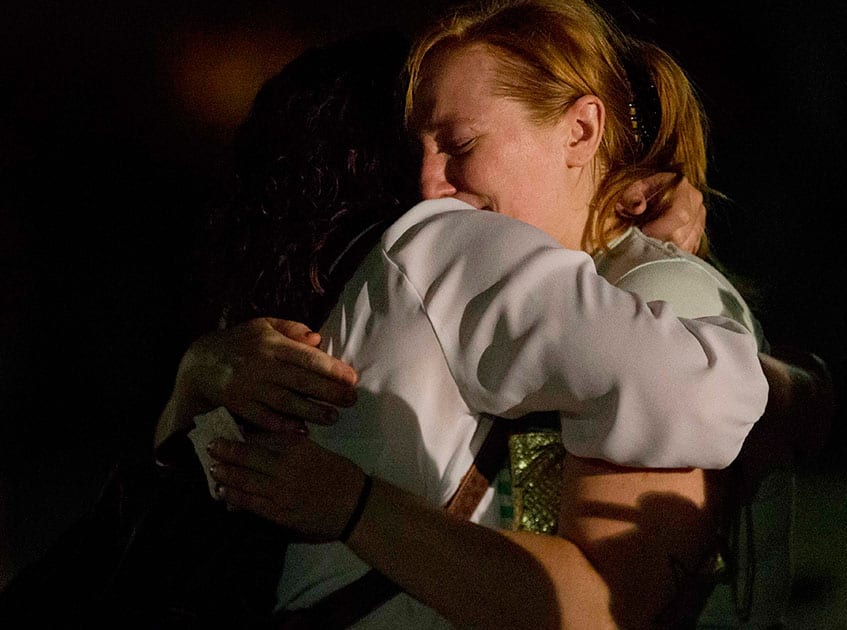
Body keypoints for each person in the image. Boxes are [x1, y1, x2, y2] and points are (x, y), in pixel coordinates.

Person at [152, 19, 769, 630]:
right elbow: (710, 388)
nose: (428, 186)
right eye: (413, 151)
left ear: (581, 130)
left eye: (461, 143)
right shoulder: (450, 247)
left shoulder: (332, 286)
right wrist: (791, 388)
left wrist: (199, 371)